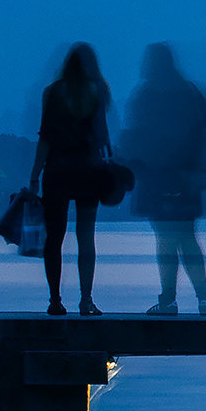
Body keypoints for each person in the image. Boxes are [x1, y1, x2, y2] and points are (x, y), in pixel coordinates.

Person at [123, 43, 206, 315]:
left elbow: (136, 137)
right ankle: (204, 298)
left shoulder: (145, 96)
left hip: (157, 178)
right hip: (186, 178)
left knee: (165, 240)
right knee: (187, 237)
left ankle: (168, 299)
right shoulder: (190, 93)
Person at [32, 43, 120, 317]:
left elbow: (45, 137)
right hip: (88, 171)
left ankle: (55, 300)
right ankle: (86, 300)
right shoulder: (98, 92)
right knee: (86, 237)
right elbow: (103, 139)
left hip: (57, 171)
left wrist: (34, 174)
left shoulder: (53, 93)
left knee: (54, 238)